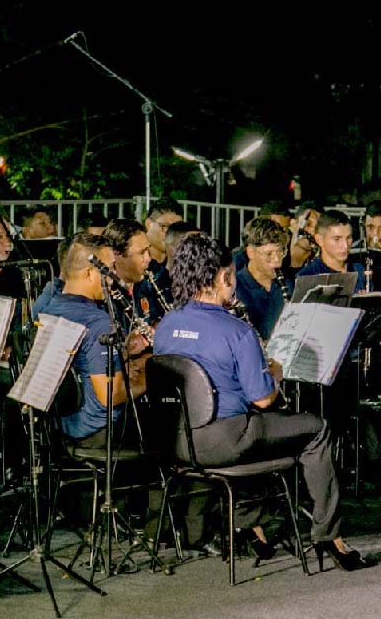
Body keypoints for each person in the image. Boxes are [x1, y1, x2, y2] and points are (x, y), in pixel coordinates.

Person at [154, 233, 369, 571]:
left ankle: (250, 521)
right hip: (226, 440)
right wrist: (275, 370)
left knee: (261, 432)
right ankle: (329, 535)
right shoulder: (235, 331)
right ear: (224, 277)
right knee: (317, 428)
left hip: (179, 442)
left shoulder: (167, 324)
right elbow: (264, 398)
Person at [41, 233, 149, 447]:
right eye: (109, 270)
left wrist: (123, 352)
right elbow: (110, 396)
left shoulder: (50, 309)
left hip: (60, 424)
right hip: (98, 430)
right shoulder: (98, 321)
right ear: (90, 273)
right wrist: (150, 377)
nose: (113, 278)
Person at [234, 217, 292, 340]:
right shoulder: (234, 289)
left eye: (281, 251)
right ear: (251, 252)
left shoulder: (289, 284)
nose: (277, 262)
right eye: (268, 254)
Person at [103, 218, 158, 328]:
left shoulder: (146, 287)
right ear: (116, 254)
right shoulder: (104, 295)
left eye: (148, 250)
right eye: (142, 253)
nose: (148, 258)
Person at [296, 210, 367, 293]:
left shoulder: (360, 269)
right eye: (337, 239)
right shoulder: (307, 277)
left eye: (349, 238)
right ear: (320, 240)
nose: (345, 245)